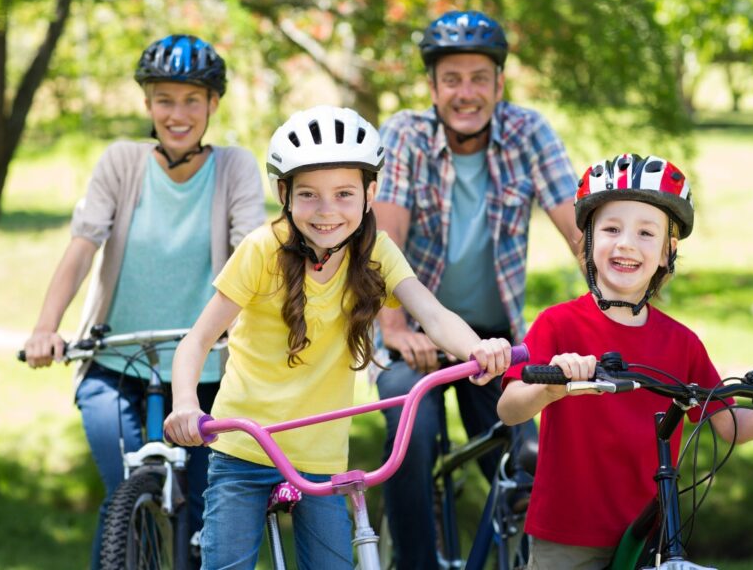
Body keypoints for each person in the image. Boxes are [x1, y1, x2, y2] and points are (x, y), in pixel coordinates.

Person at [163, 104, 514, 570]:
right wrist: (186, 402)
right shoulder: (262, 249)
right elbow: (197, 340)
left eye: (344, 194)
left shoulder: (376, 252)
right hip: (243, 446)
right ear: (284, 194)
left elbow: (431, 313)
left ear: (371, 193)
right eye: (309, 195)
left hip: (322, 458)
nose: (327, 211)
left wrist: (476, 347)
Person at [21, 34, 266, 569]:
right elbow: (82, 247)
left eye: (191, 100)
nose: (177, 114)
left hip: (207, 371)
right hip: (114, 362)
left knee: (205, 509)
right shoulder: (121, 162)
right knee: (125, 497)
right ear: (146, 103)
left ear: (213, 105)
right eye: (164, 100)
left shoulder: (235, 168)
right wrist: (46, 327)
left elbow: (255, 256)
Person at [497, 153, 753, 570]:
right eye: (612, 229)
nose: (625, 244)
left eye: (645, 233)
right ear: (588, 239)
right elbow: (509, 409)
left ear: (666, 252)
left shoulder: (682, 343)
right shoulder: (558, 324)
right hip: (568, 531)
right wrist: (550, 386)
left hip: (650, 533)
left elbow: (726, 424)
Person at [372, 9, 582, 569]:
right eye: (451, 79)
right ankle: (415, 562)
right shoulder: (404, 135)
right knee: (410, 439)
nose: (466, 93)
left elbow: (578, 230)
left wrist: (617, 306)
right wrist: (393, 329)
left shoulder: (528, 132)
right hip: (412, 333)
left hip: (491, 342)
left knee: (527, 458)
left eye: (479, 79)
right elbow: (383, 240)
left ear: (500, 84)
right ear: (433, 87)